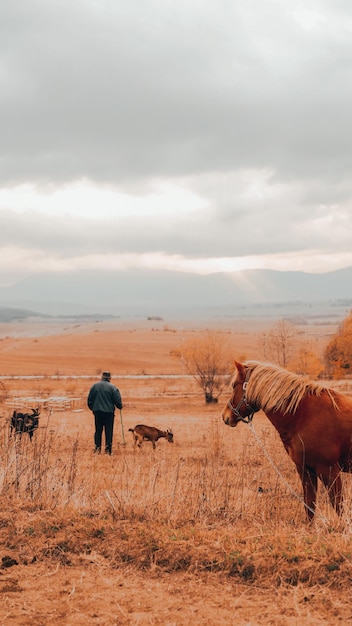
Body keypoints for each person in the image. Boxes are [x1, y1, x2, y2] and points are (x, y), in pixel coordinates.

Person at [87, 371, 123, 455]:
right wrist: (120, 406)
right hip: (108, 413)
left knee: (98, 431)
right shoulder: (113, 388)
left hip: (97, 412)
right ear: (109, 378)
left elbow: (89, 400)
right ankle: (108, 450)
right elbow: (117, 401)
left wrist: (93, 409)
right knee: (108, 431)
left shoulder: (94, 386)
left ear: (102, 377)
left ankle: (97, 448)